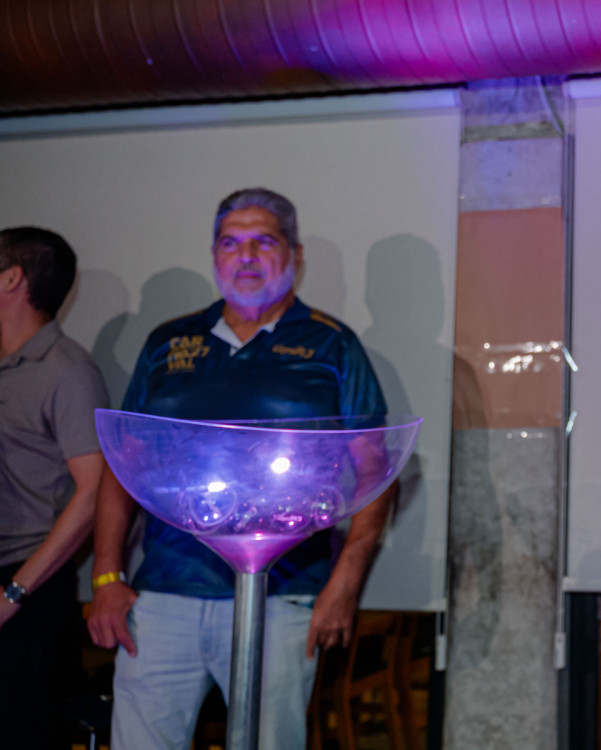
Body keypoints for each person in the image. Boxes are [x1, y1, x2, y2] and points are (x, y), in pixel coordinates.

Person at [87, 188, 393, 750]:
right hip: (165, 595)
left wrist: (343, 582)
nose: (245, 256)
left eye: (262, 241)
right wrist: (107, 576)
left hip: (282, 598)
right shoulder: (168, 342)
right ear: (214, 255)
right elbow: (122, 463)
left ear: (294, 256)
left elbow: (375, 468)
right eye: (230, 243)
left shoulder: (332, 344)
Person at [0, 227, 109, 750]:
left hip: (27, 589)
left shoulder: (67, 371)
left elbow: (94, 493)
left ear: (12, 278)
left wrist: (14, 592)